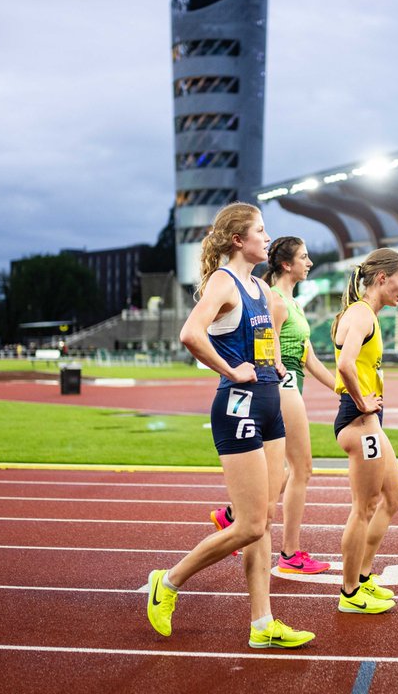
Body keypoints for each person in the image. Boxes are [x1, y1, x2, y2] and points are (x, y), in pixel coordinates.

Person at [147, 203, 314, 649]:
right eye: (260, 230)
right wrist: (231, 368)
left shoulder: (260, 287)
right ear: (238, 240)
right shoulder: (224, 281)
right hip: (237, 406)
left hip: (269, 406)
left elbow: (267, 337)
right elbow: (191, 334)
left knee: (263, 520)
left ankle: (262, 624)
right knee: (249, 527)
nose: (266, 236)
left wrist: (275, 365)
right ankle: (169, 580)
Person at [209, 236, 338, 575]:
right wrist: (270, 371)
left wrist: (341, 387)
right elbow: (267, 344)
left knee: (280, 473)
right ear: (286, 264)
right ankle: (290, 553)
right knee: (302, 469)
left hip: (289, 383)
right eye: (304, 257)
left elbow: (309, 356)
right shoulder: (274, 301)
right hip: (281, 385)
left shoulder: (294, 304)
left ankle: (235, 517)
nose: (309, 262)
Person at [331, 248, 398, 615]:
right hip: (360, 423)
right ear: (382, 278)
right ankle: (349, 594)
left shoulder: (368, 315)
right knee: (363, 508)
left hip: (370, 422)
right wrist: (362, 401)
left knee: (394, 497)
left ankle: (363, 578)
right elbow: (346, 363)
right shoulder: (362, 315)